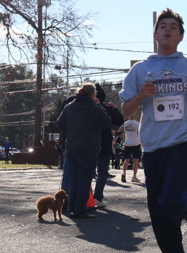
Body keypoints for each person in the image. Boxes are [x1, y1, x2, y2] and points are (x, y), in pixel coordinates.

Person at [120, 8, 187, 253]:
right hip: (153, 147)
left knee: (171, 201)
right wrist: (140, 95)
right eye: (163, 26)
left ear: (180, 36)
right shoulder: (140, 69)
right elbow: (125, 111)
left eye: (173, 26)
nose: (168, 29)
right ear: (155, 34)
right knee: (159, 216)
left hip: (183, 141)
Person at [56, 82, 110, 218]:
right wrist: (99, 106)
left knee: (74, 179)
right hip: (89, 148)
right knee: (84, 180)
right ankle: (80, 210)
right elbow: (106, 122)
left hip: (72, 147)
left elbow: (60, 124)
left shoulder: (69, 106)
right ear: (93, 95)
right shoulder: (94, 108)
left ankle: (72, 207)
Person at [92, 84, 124, 207]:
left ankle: (83, 199)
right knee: (102, 172)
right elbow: (119, 121)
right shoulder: (106, 109)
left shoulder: (83, 108)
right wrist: (115, 109)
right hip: (104, 144)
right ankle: (98, 198)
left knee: (85, 173)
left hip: (88, 144)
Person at [121, 114, 143, 183]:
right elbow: (140, 133)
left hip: (127, 143)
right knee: (136, 160)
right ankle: (134, 176)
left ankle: (124, 172)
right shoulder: (137, 124)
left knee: (126, 159)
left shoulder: (125, 123)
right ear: (134, 116)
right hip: (136, 143)